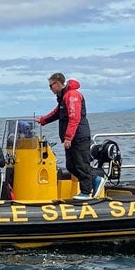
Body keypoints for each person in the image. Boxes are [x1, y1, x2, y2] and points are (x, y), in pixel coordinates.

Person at [38, 72, 97, 200]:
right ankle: (94, 180)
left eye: (51, 85)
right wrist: (43, 120)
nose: (50, 88)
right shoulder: (63, 96)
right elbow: (57, 113)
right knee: (71, 166)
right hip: (72, 136)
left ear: (58, 83)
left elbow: (74, 117)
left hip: (78, 136)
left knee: (81, 164)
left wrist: (68, 137)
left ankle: (86, 191)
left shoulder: (71, 95)